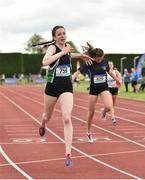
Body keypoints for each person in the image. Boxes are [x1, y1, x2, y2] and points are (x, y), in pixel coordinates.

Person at [38, 25, 93, 167]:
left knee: (67, 117)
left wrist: (80, 55)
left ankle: (68, 153)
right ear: (54, 37)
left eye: (64, 33)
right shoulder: (52, 48)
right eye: (59, 34)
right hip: (52, 87)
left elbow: (68, 55)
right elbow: (45, 62)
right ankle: (43, 123)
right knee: (47, 116)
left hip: (66, 87)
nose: (63, 36)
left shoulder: (67, 47)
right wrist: (63, 52)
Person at [72, 43, 121, 143]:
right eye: (99, 59)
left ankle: (103, 112)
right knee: (91, 112)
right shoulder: (89, 63)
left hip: (104, 87)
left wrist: (116, 79)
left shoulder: (105, 61)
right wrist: (72, 79)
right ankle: (88, 132)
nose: (100, 60)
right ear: (94, 57)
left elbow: (109, 71)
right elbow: (78, 72)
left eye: (102, 58)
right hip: (93, 89)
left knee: (109, 106)